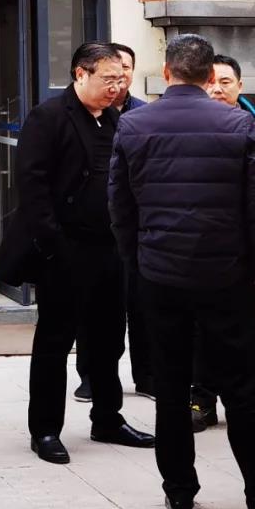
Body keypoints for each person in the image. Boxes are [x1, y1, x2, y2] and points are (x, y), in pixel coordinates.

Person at [109, 32, 255, 509]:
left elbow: (121, 206)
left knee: (172, 388)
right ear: (207, 75)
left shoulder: (134, 124)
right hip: (227, 275)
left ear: (167, 72)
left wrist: (138, 260)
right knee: (241, 389)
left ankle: (179, 494)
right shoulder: (239, 123)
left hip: (160, 273)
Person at [10, 41, 154, 464]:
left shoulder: (115, 119)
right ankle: (45, 430)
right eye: (108, 79)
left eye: (121, 79)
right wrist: (55, 246)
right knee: (54, 343)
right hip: (65, 251)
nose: (116, 87)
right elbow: (33, 188)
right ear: (80, 74)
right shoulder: (49, 117)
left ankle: (107, 418)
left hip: (110, 248)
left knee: (108, 340)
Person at [190, 54, 255, 437]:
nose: (217, 89)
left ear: (240, 86)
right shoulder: (188, 127)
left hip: (250, 248)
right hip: (199, 248)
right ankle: (201, 401)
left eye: (225, 82)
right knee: (201, 326)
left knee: (254, 328)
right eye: (210, 82)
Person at [74, 42, 153, 402]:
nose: (117, 80)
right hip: (97, 232)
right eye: (111, 72)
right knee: (96, 311)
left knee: (142, 307)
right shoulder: (85, 114)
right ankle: (91, 377)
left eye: (124, 71)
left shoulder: (145, 115)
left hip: (136, 230)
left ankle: (147, 376)